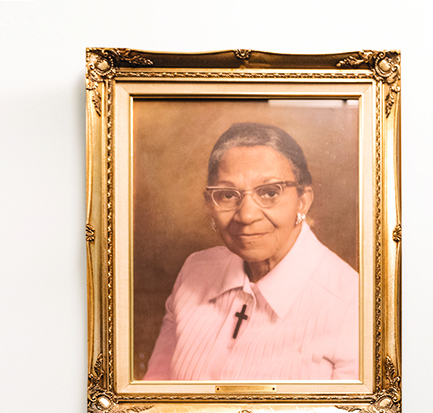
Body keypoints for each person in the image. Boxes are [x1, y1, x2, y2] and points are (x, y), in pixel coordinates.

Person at [144, 122, 359, 381]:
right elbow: (155, 393)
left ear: (303, 201)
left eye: (269, 193)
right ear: (210, 204)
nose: (246, 216)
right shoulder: (195, 270)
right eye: (227, 195)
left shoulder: (353, 305)